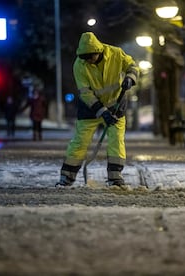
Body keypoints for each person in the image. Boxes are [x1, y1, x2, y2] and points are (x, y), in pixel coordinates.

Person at [56, 32, 139, 187]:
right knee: (80, 141)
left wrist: (130, 78)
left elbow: (132, 65)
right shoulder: (79, 65)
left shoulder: (115, 54)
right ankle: (67, 176)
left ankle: (115, 177)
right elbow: (86, 94)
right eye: (84, 57)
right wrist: (102, 112)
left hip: (116, 104)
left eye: (90, 57)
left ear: (98, 51)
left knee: (116, 140)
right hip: (90, 108)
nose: (87, 60)